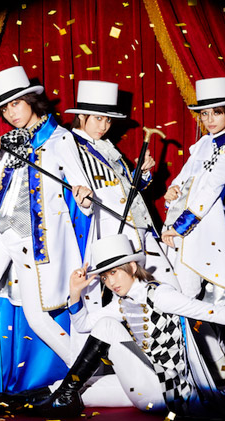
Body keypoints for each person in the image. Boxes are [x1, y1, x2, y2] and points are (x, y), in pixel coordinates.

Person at [28, 234, 225, 419]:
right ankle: (21, 402)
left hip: (166, 392)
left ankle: (63, 397)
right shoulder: (122, 302)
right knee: (71, 389)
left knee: (106, 328)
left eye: (115, 272)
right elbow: (84, 325)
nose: (110, 283)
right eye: (105, 277)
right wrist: (75, 293)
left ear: (132, 266)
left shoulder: (159, 295)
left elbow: (208, 311)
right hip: (143, 386)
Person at [0, 66, 95, 368]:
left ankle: (80, 373)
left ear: (32, 101)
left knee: (37, 318)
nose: (11, 113)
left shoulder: (60, 139)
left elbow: (83, 193)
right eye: (5, 108)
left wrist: (84, 197)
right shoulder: (7, 141)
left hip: (33, 239)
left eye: (16, 104)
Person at [159, 77, 225, 385]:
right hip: (180, 230)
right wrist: (171, 191)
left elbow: (210, 190)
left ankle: (197, 372)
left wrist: (180, 227)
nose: (209, 120)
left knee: (187, 299)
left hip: (203, 231)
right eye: (204, 114)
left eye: (216, 113)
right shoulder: (204, 144)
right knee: (189, 301)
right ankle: (219, 368)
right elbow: (185, 178)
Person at [64, 80, 174, 286]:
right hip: (112, 231)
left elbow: (129, 189)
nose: (104, 126)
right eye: (98, 118)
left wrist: (142, 172)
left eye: (108, 120)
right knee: (131, 291)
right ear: (81, 115)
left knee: (167, 285)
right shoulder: (69, 146)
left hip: (140, 226)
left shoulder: (105, 145)